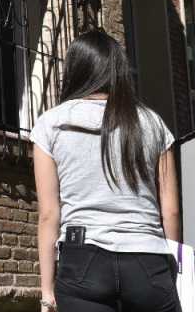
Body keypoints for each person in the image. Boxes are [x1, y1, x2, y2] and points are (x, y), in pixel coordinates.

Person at [31, 30, 181, 312]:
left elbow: (49, 214)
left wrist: (47, 291)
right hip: (147, 259)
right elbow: (170, 211)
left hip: (82, 260)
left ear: (74, 69)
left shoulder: (51, 124)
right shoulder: (152, 123)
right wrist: (172, 270)